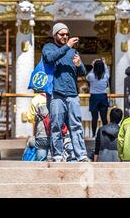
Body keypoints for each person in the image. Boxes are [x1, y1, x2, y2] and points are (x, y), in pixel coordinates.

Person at [42, 22, 89, 162]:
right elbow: (49, 58)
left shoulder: (73, 51)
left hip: (72, 93)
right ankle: (57, 155)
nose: (65, 36)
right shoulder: (49, 47)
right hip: (56, 93)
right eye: (62, 34)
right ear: (55, 35)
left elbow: (83, 73)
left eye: (67, 34)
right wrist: (67, 45)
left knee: (76, 125)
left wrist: (80, 65)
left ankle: (81, 155)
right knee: (56, 125)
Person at [86, 58, 110, 137]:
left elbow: (87, 77)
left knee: (94, 118)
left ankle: (93, 135)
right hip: (103, 96)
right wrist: (104, 64)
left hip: (94, 97)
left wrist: (93, 66)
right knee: (104, 118)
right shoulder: (106, 76)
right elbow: (106, 70)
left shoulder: (91, 76)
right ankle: (106, 135)